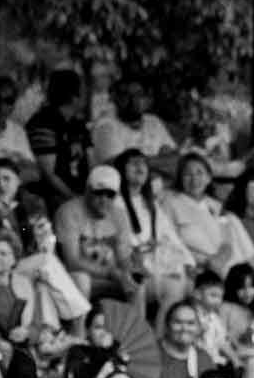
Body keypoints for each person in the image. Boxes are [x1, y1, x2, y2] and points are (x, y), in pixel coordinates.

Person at [54, 166, 141, 305]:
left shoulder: (120, 215)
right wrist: (111, 273)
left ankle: (135, 320)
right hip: (75, 278)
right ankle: (82, 321)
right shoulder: (68, 212)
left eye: (110, 194)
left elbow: (123, 258)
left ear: (117, 195)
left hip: (111, 277)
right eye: (98, 193)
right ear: (87, 190)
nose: (104, 199)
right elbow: (72, 262)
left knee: (137, 283)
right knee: (82, 280)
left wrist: (128, 273)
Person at [27, 69, 92, 207]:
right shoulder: (42, 123)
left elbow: (91, 163)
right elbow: (48, 174)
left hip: (81, 196)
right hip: (53, 198)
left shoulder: (78, 124)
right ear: (73, 96)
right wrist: (74, 200)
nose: (87, 93)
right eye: (84, 90)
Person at [91, 81, 176, 174]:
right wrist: (160, 162)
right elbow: (118, 167)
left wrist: (139, 162)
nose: (133, 100)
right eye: (126, 95)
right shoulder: (105, 125)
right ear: (115, 98)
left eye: (139, 95)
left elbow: (174, 159)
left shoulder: (154, 121)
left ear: (146, 99)